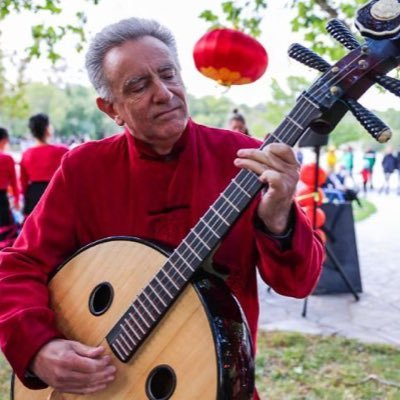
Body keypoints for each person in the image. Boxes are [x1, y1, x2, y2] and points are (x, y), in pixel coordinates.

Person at [0, 17, 324, 398]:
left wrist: (278, 216)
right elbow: (18, 265)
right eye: (138, 86)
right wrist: (39, 347)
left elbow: (298, 283)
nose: (164, 93)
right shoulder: (84, 170)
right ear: (111, 109)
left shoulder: (243, 161)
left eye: (168, 75)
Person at [19, 113, 68, 217]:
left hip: (33, 195)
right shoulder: (62, 151)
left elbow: (23, 182)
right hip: (56, 193)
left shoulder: (26, 154)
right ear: (47, 129)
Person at [0, 127, 20, 249]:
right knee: (6, 234)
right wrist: (17, 200)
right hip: (2, 200)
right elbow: (14, 183)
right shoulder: (7, 159)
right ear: (5, 140)